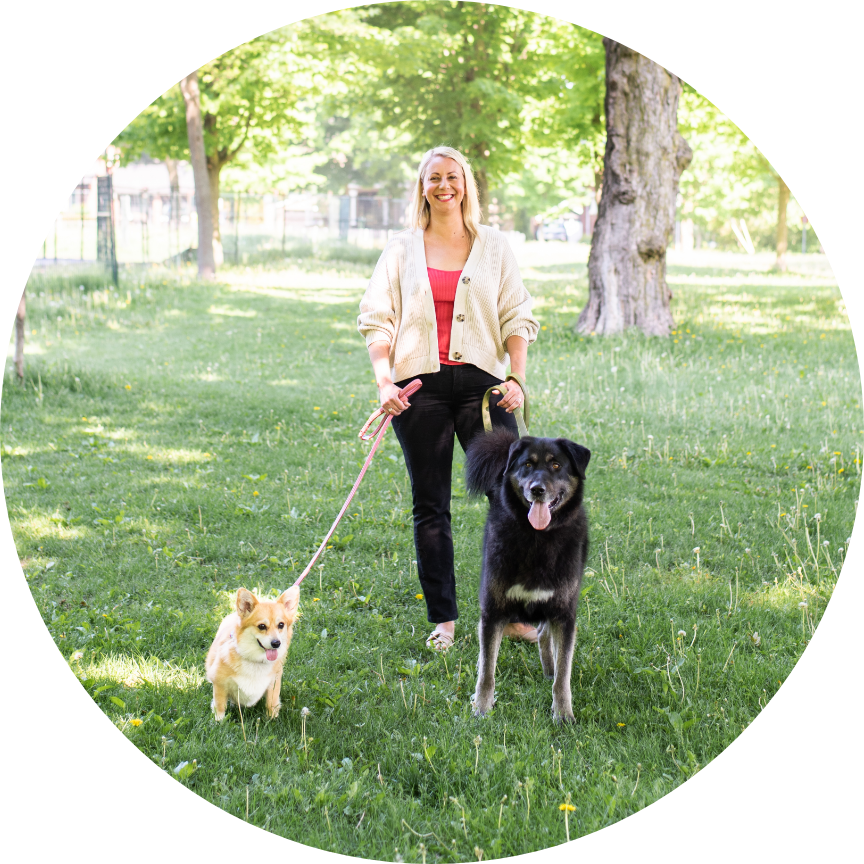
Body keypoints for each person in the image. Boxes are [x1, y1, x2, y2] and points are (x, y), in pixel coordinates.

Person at [357, 146, 539, 651]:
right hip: (420, 392)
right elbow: (377, 319)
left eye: (452, 177)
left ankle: (515, 612)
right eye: (433, 178)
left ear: (466, 185)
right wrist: (383, 383)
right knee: (430, 506)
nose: (443, 186)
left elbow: (516, 315)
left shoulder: (494, 245)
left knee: (513, 498)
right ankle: (444, 620)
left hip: (484, 391)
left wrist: (518, 378)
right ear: (422, 186)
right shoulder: (400, 250)